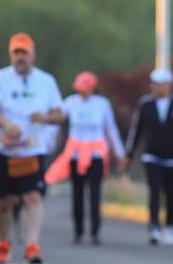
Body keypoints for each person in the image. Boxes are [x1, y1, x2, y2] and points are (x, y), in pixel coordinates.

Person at [0, 33, 64, 264]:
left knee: (32, 197)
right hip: (5, 148)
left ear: (32, 54)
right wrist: (6, 124)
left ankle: (32, 246)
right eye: (16, 53)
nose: (20, 58)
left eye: (24, 53)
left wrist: (45, 118)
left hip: (33, 149)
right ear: (10, 54)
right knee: (5, 201)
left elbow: (59, 114)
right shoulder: (0, 78)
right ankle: (3, 243)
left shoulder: (46, 81)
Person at [45, 71, 126, 245]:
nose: (81, 92)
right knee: (78, 193)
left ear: (92, 89)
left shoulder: (102, 104)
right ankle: (78, 230)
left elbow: (110, 129)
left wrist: (119, 154)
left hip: (96, 153)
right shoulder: (71, 103)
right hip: (75, 153)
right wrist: (47, 140)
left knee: (95, 193)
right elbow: (56, 121)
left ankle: (95, 230)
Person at [124, 68, 173, 246]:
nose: (157, 87)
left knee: (171, 193)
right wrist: (129, 153)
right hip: (152, 156)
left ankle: (171, 226)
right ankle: (154, 227)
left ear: (169, 84)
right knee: (154, 191)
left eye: (161, 84)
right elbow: (137, 130)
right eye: (154, 84)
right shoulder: (146, 104)